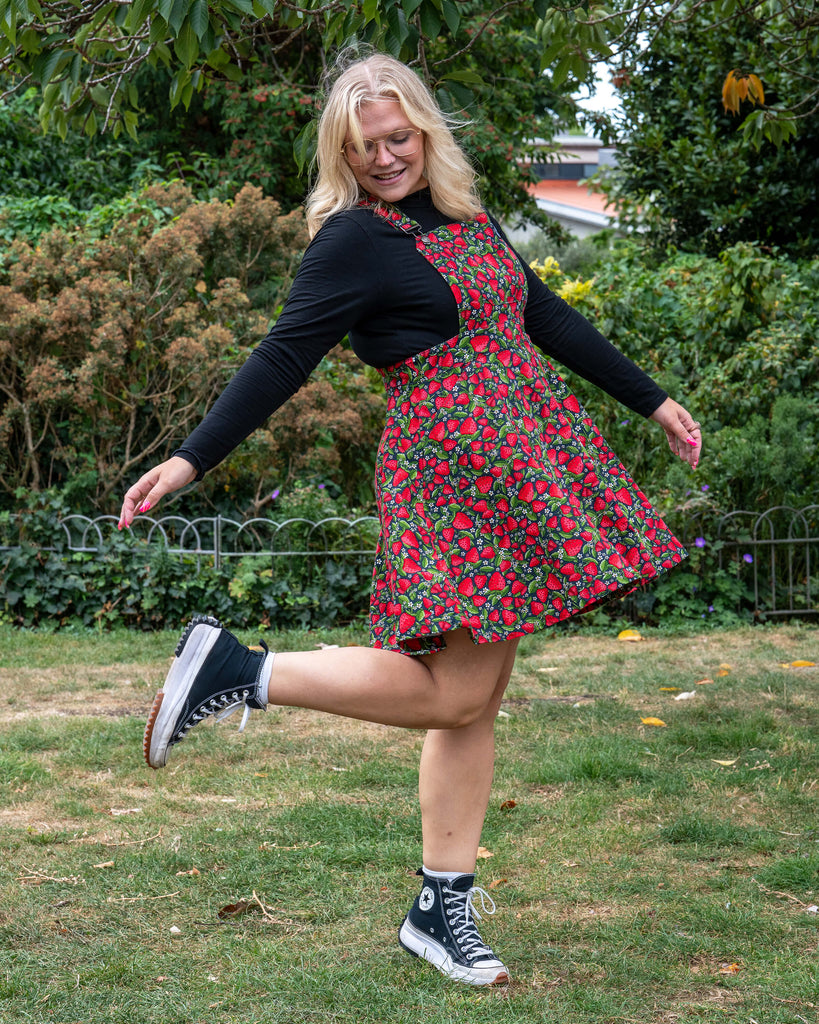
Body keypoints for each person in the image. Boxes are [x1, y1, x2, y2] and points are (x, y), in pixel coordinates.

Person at [118, 52, 701, 988]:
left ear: (425, 130)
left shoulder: (465, 215)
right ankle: (241, 670)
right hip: (455, 474)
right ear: (340, 155)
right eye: (365, 147)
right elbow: (281, 357)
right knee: (455, 693)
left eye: (398, 138)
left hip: (520, 460)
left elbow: (541, 313)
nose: (386, 157)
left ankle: (441, 905)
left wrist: (650, 400)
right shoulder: (352, 239)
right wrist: (190, 460)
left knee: (473, 698)